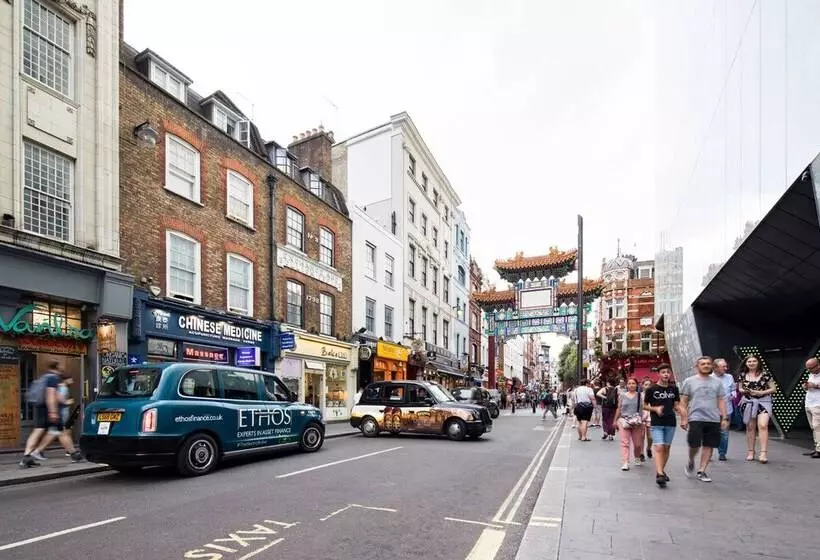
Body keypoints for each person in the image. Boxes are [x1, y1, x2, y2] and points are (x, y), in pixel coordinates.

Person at [19, 363, 82, 467]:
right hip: (49, 409)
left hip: (41, 408)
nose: (63, 368)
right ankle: (74, 454)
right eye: (61, 366)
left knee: (40, 431)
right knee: (60, 432)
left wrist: (63, 401)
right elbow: (51, 395)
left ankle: (27, 456)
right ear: (57, 367)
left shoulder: (45, 377)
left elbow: (56, 395)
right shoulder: (53, 378)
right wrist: (53, 412)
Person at [680, 356, 728, 482]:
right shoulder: (689, 381)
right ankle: (691, 461)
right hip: (695, 417)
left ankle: (702, 471)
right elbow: (683, 402)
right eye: (703, 364)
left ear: (712, 366)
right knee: (694, 443)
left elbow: (721, 400)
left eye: (708, 364)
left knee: (709, 444)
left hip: (713, 418)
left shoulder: (717, 382)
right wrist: (684, 418)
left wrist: (724, 417)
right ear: (697, 366)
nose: (706, 366)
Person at [643, 365, 681, 488]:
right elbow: (643, 406)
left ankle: (661, 470)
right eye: (663, 372)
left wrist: (683, 414)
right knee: (659, 447)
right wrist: (655, 408)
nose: (666, 374)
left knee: (666, 448)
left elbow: (676, 405)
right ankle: (659, 474)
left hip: (671, 421)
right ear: (658, 374)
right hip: (656, 421)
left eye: (668, 372)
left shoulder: (674, 389)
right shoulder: (651, 389)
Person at [738, 355, 776, 463]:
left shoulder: (765, 375)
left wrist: (761, 392)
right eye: (749, 361)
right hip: (748, 402)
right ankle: (751, 451)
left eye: (754, 361)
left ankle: (763, 453)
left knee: (763, 425)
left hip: (763, 402)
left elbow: (774, 389)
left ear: (758, 362)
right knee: (750, 427)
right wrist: (743, 391)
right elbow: (739, 388)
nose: (752, 363)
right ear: (746, 363)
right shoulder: (742, 375)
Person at [614, 378, 645, 470]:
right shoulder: (622, 396)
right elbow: (619, 408)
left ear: (636, 385)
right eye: (629, 383)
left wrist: (643, 421)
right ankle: (625, 462)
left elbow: (644, 408)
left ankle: (637, 457)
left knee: (638, 444)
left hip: (637, 422)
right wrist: (615, 420)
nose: (631, 385)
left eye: (633, 383)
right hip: (624, 421)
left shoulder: (640, 396)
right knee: (625, 442)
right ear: (627, 385)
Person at [712, 358, 736, 461]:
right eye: (723, 367)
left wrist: (733, 395)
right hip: (712, 410)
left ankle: (722, 453)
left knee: (724, 433)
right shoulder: (709, 378)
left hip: (727, 410)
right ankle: (708, 453)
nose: (726, 368)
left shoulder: (729, 377)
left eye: (726, 366)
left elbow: (733, 390)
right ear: (715, 368)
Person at [802, 358, 820, 458]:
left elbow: (816, 386)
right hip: (809, 403)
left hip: (818, 404)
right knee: (813, 427)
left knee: (818, 427)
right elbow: (810, 387)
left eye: (811, 368)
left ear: (818, 365)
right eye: (808, 368)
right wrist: (805, 386)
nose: (809, 370)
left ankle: (819, 449)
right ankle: (816, 447)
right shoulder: (811, 374)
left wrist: (815, 386)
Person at [641, 378, 653, 460]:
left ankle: (648, 448)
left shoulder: (654, 395)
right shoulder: (639, 395)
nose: (647, 386)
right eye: (646, 385)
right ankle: (641, 453)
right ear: (642, 386)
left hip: (651, 417)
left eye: (649, 385)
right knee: (641, 436)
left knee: (650, 437)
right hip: (641, 417)